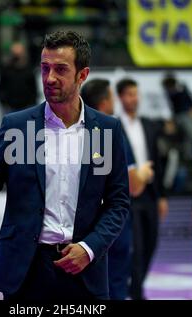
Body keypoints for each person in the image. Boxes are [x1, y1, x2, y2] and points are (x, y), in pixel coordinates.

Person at [0, 30, 130, 300]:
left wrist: (90, 248)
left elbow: (118, 202)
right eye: (44, 68)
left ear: (82, 75)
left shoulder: (107, 130)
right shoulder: (17, 126)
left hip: (84, 270)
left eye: (60, 69)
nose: (50, 78)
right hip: (27, 272)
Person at [81, 79, 153, 300]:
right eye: (112, 97)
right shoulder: (112, 132)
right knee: (116, 283)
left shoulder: (76, 133)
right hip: (113, 225)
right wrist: (143, 173)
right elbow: (134, 186)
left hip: (84, 226)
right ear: (104, 102)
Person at [117, 78, 169, 300]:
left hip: (149, 192)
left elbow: (157, 159)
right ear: (120, 97)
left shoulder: (148, 125)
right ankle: (137, 293)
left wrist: (162, 196)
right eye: (129, 94)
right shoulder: (115, 125)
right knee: (135, 247)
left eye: (136, 94)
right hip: (128, 193)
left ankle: (136, 286)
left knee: (151, 242)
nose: (134, 99)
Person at [162, 73, 192, 163]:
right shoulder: (170, 93)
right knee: (185, 137)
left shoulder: (181, 89)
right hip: (178, 117)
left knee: (191, 136)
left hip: (186, 115)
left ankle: (189, 156)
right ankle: (186, 156)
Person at [0, 42, 38, 114]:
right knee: (12, 125)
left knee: (31, 125)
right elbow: (0, 88)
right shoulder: (6, 69)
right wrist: (4, 104)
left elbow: (34, 89)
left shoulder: (29, 69)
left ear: (23, 53)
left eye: (19, 53)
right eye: (15, 54)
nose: (17, 56)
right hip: (10, 109)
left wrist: (32, 104)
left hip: (29, 108)